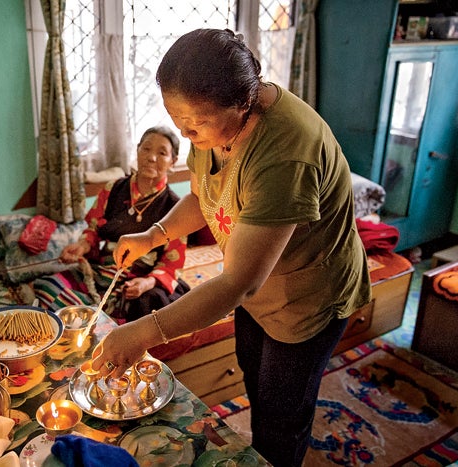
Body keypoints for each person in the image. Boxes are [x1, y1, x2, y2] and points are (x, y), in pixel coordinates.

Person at [91, 29, 371, 466]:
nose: (184, 132)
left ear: (244, 101)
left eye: (195, 123)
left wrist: (145, 331)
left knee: (282, 415)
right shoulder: (214, 128)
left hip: (305, 299)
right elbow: (207, 195)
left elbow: (239, 281)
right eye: (175, 117)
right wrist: (154, 235)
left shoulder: (284, 154)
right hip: (261, 292)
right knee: (256, 381)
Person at [33, 126, 189, 322]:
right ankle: (95, 317)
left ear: (173, 161)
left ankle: (87, 315)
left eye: (162, 153)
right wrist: (82, 246)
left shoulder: (175, 207)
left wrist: (146, 283)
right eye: (146, 149)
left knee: (145, 309)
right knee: (46, 285)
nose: (151, 157)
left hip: (135, 280)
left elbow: (172, 262)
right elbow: (92, 229)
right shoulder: (113, 189)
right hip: (101, 270)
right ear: (137, 150)